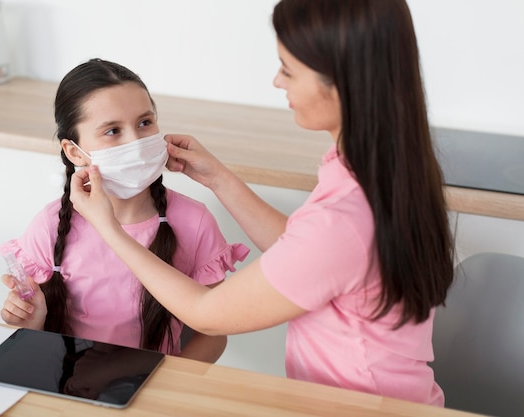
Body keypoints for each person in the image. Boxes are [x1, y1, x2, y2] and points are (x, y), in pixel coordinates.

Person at [68, 0, 454, 406]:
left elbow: (206, 313)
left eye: (287, 69)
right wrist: (218, 177)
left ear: (342, 81)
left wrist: (109, 229)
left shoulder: (344, 218)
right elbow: (311, 253)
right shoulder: (374, 168)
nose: (276, 81)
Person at [0, 58, 249, 363]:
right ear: (75, 152)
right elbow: (36, 346)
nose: (135, 141)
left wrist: (158, 389)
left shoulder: (194, 223)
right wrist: (31, 322)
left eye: (145, 122)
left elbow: (213, 333)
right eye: (112, 131)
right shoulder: (50, 226)